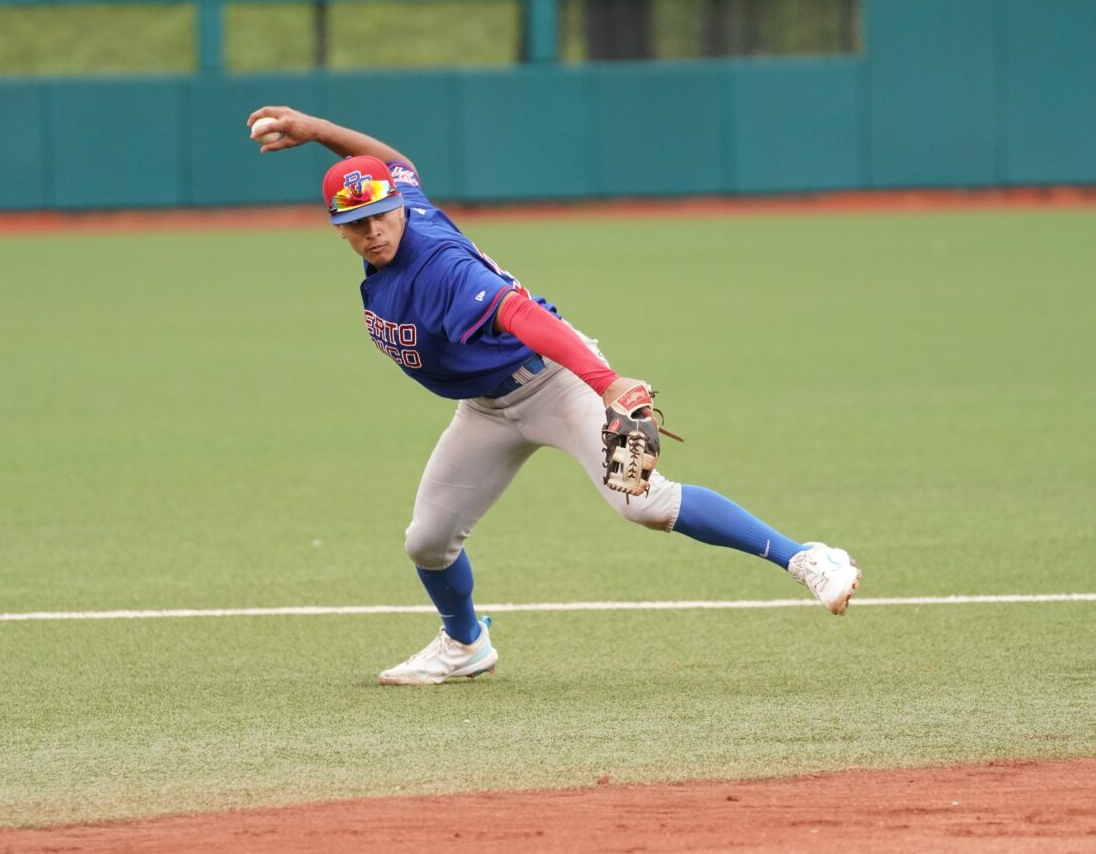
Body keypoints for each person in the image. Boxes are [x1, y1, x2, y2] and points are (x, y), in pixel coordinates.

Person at [247, 106, 862, 686]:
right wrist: (316, 129)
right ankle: (464, 644)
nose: (373, 230)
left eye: (380, 214)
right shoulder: (406, 206)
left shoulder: (440, 267)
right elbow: (396, 161)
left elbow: (521, 315)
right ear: (338, 228)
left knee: (645, 504)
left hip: (555, 383)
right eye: (356, 223)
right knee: (427, 542)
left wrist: (606, 381)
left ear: (397, 207)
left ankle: (807, 558)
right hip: (487, 409)